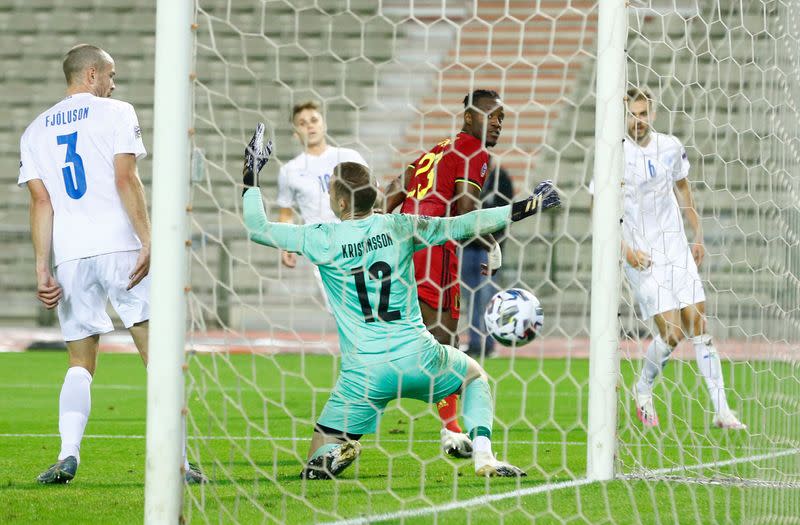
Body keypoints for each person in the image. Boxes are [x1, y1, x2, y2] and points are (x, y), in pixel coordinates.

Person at [240, 125, 560, 478]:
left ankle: (331, 454)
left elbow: (258, 227)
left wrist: (251, 176)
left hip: (364, 373)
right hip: (419, 357)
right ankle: (484, 457)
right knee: (474, 376)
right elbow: (464, 223)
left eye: (331, 190)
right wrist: (527, 206)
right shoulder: (399, 226)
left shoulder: (321, 238)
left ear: (341, 202)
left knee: (314, 467)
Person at [18, 44, 207, 484]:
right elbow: (126, 178)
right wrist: (148, 239)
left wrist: (42, 268)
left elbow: (41, 202)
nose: (114, 82)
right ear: (91, 75)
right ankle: (177, 461)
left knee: (80, 362)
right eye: (110, 73)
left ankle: (68, 454)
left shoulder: (34, 130)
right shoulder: (116, 111)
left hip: (69, 256)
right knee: (157, 354)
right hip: (121, 247)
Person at [589, 86, 745, 430]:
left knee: (699, 325)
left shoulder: (670, 147)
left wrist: (698, 234)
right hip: (641, 256)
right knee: (673, 333)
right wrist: (624, 250)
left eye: (643, 114)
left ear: (653, 115)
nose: (638, 121)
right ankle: (642, 388)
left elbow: (683, 188)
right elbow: (597, 206)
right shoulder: (612, 154)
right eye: (632, 114)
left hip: (675, 247)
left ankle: (721, 409)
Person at [383, 89, 505, 457]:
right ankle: (454, 432)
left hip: (402, 244)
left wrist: (378, 233)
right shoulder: (473, 150)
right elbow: (466, 209)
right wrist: (491, 243)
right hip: (434, 248)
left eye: (503, 117)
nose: (499, 123)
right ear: (469, 117)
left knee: (418, 343)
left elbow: (394, 189)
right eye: (492, 115)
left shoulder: (437, 149)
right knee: (444, 347)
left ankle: (451, 429)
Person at [276, 101, 368, 308]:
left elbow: (373, 195)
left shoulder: (348, 157)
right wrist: (286, 246)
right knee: (341, 311)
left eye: (314, 120)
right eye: (302, 122)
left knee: (369, 308)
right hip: (324, 249)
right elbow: (286, 212)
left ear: (324, 124)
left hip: (359, 241)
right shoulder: (290, 170)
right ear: (295, 132)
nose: (309, 125)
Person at [460, 156, 514, 359]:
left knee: (487, 295)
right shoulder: (467, 178)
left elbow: (506, 210)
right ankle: (474, 343)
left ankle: (490, 344)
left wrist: (496, 243)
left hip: (490, 246)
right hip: (466, 244)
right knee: (469, 296)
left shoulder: (501, 179)